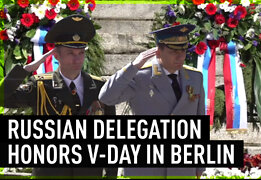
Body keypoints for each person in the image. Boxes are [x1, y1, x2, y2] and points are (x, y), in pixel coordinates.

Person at [0, 14, 118, 178]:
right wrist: (25, 70)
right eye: (70, 53)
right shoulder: (40, 85)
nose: (77, 59)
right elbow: (2, 97)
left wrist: (111, 174)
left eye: (80, 53)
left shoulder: (99, 86)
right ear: (56, 55)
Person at [99, 24, 205, 178]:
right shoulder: (141, 76)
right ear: (158, 51)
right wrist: (133, 67)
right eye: (173, 51)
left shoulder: (194, 77)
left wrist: (199, 165)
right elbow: (106, 97)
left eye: (183, 50)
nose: (180, 56)